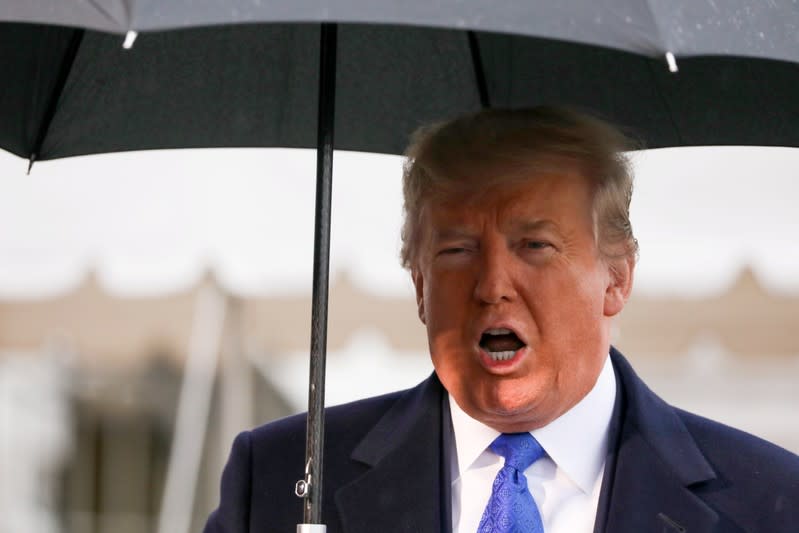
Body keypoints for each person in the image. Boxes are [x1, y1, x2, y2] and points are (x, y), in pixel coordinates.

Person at [203, 107, 799, 533]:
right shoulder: (284, 480)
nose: (491, 287)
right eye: (457, 251)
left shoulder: (768, 500)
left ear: (616, 277)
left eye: (534, 245)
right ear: (418, 284)